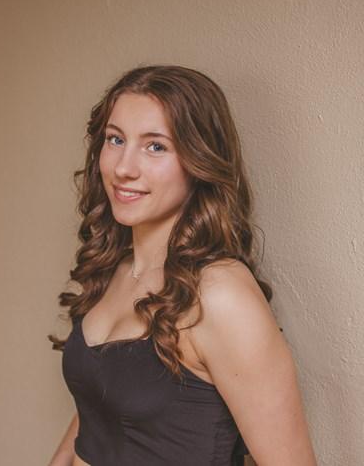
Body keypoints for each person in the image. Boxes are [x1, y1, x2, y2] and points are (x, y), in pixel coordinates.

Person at [48, 65, 317, 466]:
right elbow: (96, 412)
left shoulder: (221, 294)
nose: (123, 167)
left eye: (155, 146)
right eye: (115, 139)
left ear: (199, 160)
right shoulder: (115, 268)